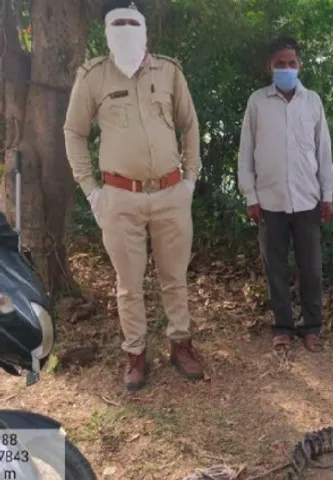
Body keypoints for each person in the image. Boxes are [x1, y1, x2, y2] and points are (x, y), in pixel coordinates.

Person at [63, 0, 204, 392]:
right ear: (107, 30)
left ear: (144, 29)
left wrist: (189, 181)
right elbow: (73, 132)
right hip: (119, 199)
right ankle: (135, 355)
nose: (125, 28)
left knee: (175, 278)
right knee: (129, 283)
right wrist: (92, 192)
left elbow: (189, 125)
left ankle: (181, 344)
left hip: (171, 192)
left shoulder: (170, 71)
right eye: (117, 22)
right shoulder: (93, 76)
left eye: (132, 21)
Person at [237, 36, 333, 353]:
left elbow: (323, 152)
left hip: (308, 199)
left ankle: (311, 327)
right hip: (269, 202)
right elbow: (246, 153)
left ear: (300, 65)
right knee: (275, 267)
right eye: (280, 64)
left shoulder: (312, 101)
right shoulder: (257, 102)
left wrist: (328, 194)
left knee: (311, 268)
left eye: (291, 63)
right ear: (270, 66)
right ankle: (282, 326)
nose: (286, 68)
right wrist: (250, 196)